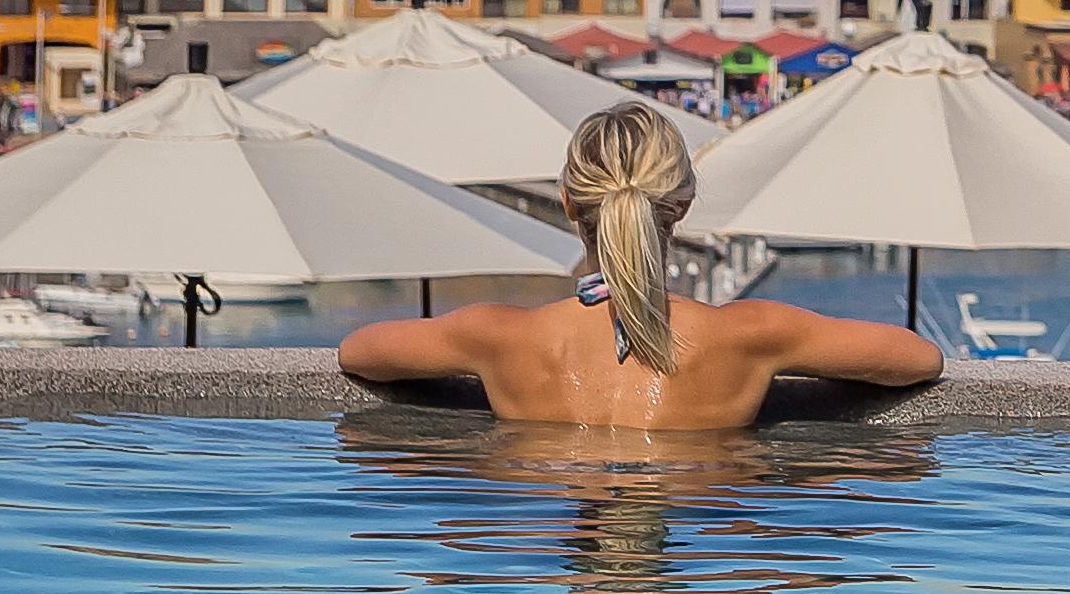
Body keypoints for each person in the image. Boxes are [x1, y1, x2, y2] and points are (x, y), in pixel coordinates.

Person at [336, 99, 941, 426]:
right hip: (697, 537)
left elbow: (358, 353)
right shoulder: (754, 335)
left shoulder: (496, 336)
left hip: (540, 531)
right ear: (681, 206)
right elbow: (919, 360)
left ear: (569, 201)